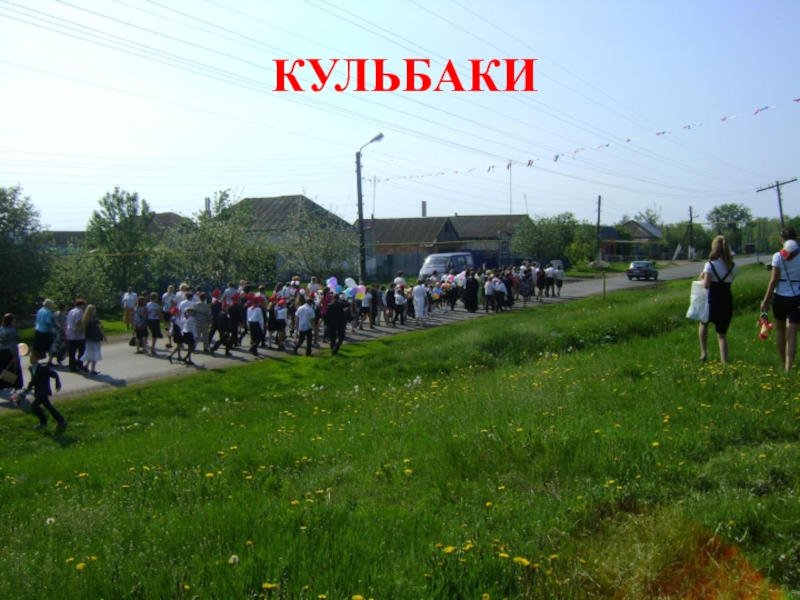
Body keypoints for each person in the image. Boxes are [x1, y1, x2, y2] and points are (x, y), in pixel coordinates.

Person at [761, 227, 800, 373]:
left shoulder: (778, 256)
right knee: (792, 333)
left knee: (781, 330)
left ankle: (783, 362)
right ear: (796, 238)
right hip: (796, 297)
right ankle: (789, 367)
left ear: (781, 239)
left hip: (779, 297)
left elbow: (773, 281)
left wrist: (765, 301)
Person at [699, 236, 737, 364]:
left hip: (711, 300)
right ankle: (724, 361)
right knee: (722, 334)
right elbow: (730, 280)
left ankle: (704, 353)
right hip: (726, 301)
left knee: (703, 324)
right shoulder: (733, 266)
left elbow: (706, 285)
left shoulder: (709, 265)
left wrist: (701, 278)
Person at [22, 352, 66, 429]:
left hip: (44, 391)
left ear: (37, 359)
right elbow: (33, 380)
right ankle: (61, 420)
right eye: (30, 358)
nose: (30, 360)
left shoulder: (43, 368)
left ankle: (43, 422)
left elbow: (54, 374)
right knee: (49, 407)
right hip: (38, 391)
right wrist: (27, 389)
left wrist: (57, 384)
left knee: (34, 406)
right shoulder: (31, 368)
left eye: (32, 358)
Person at [80, 304, 107, 375]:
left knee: (90, 352)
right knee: (95, 352)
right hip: (95, 337)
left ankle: (86, 366)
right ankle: (93, 369)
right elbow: (99, 327)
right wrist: (104, 335)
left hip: (88, 337)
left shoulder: (85, 318)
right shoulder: (95, 318)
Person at [0, 313, 23, 393]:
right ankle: (16, 385)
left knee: (3, 369)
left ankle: (3, 384)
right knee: (14, 369)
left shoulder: (1, 328)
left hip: (1, 351)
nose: (15, 321)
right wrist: (15, 356)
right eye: (13, 319)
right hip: (9, 352)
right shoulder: (11, 330)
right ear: (10, 321)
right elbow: (13, 344)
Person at [66, 299, 87, 372]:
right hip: (78, 334)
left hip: (70, 332)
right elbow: (77, 321)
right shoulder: (79, 311)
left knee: (72, 351)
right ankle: (79, 364)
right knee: (82, 350)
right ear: (81, 305)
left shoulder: (71, 311)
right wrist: (83, 324)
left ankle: (71, 366)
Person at [47, 302, 68, 367]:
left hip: (55, 331)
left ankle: (53, 359)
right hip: (60, 332)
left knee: (55, 345)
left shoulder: (55, 314)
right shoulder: (63, 315)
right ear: (64, 308)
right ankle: (57, 358)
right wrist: (65, 333)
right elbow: (64, 325)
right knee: (60, 345)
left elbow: (52, 321)